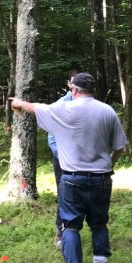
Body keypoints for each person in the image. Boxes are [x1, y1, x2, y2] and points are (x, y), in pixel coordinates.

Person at [12, 72, 128, 263]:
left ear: (74, 89)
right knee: (99, 224)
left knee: (71, 226)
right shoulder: (108, 111)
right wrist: (111, 163)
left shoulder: (63, 110)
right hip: (102, 177)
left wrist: (19, 102)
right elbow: (120, 146)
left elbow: (35, 107)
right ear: (91, 89)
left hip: (73, 179)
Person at [48, 70, 78, 250]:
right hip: (63, 160)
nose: (76, 87)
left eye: (79, 83)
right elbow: (52, 138)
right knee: (64, 194)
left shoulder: (89, 106)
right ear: (69, 84)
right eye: (73, 83)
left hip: (83, 160)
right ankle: (60, 233)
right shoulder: (60, 106)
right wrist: (64, 157)